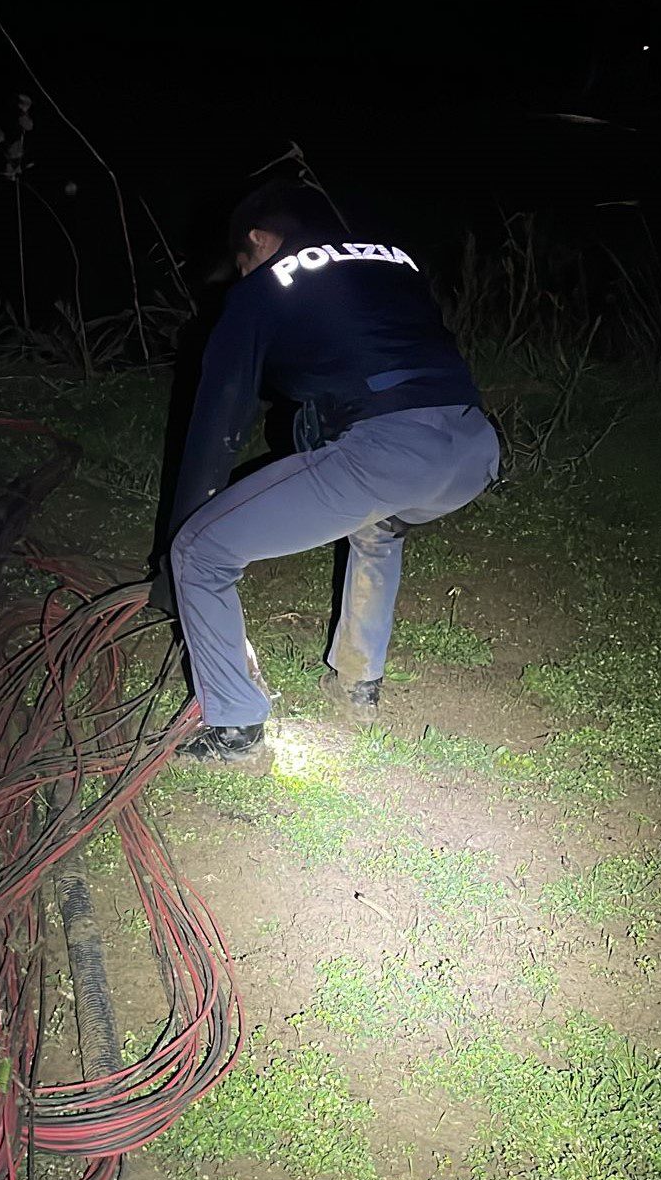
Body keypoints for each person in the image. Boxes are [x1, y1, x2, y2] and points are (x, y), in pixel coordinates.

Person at [160, 179, 500, 763]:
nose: (244, 276)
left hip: (390, 453)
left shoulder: (264, 286)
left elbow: (220, 417)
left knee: (199, 552)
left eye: (243, 262)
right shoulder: (396, 262)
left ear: (260, 239)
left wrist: (184, 532)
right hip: (475, 451)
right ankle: (357, 684)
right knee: (378, 528)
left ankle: (235, 730)